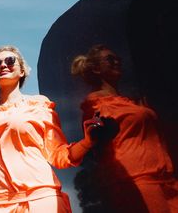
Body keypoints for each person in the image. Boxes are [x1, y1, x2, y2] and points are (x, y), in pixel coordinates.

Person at [0, 45, 98, 213]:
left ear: (22, 71)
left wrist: (88, 142)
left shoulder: (38, 104)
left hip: (40, 199)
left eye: (10, 60)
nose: (2, 65)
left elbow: (59, 154)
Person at [71, 44, 178, 212]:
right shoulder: (96, 106)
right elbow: (96, 136)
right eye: (109, 59)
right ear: (97, 69)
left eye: (117, 59)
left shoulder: (129, 102)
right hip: (137, 181)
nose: (116, 62)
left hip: (164, 177)